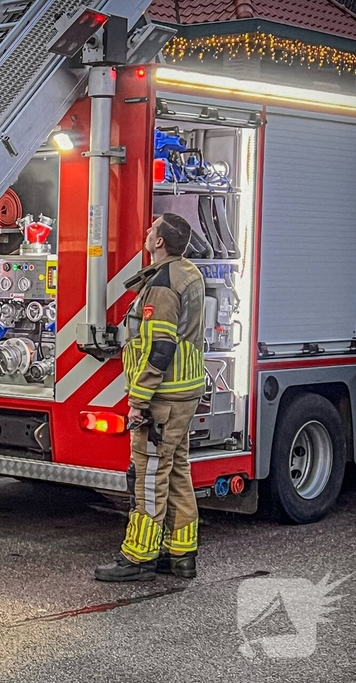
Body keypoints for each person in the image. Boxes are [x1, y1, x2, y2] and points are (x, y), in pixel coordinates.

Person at [95, 213, 206, 582]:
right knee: (177, 470)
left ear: (159, 241)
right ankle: (181, 554)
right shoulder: (187, 272)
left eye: (151, 229)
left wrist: (139, 400)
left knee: (149, 473)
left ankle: (138, 557)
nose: (146, 232)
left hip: (164, 395)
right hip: (185, 390)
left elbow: (159, 347)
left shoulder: (162, 284)